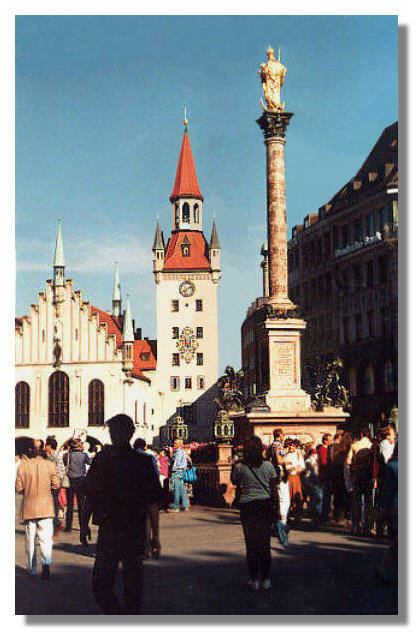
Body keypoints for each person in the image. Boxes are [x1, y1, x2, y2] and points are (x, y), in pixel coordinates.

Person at [80, 414, 163, 614]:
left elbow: (90, 497)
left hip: (110, 529)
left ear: (113, 433)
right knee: (133, 585)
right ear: (132, 433)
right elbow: (152, 503)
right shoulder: (143, 462)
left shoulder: (102, 460)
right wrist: (155, 536)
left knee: (101, 585)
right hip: (134, 530)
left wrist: (84, 524)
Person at [231, 436, 279, 591]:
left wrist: (234, 465)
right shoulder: (268, 466)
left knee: (251, 544)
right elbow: (273, 490)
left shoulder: (241, 467)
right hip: (265, 505)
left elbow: (234, 481)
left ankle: (254, 579)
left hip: (248, 505)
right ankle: (266, 579)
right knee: (265, 543)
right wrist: (277, 510)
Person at [15, 439, 61, 580]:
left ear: (30, 450)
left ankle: (32, 568)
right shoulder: (50, 466)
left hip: (29, 507)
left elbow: (18, 488)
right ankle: (46, 564)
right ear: (42, 450)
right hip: (46, 506)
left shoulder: (23, 467)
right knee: (46, 538)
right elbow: (56, 484)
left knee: (30, 539)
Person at [346, 428, 373, 536]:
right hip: (368, 475)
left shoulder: (355, 446)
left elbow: (348, 462)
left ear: (361, 435)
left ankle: (355, 526)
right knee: (368, 502)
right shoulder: (372, 446)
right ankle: (367, 527)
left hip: (358, 474)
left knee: (357, 501)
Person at [64, 438, 92, 532]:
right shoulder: (84, 455)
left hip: (70, 481)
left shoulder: (67, 455)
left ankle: (68, 526)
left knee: (70, 505)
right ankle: (82, 525)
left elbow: (65, 464)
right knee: (81, 505)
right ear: (79, 446)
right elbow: (90, 462)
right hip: (81, 480)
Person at [284, 438, 305, 524]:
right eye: (289, 445)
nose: (291, 447)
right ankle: (287, 516)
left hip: (296, 476)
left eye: (292, 445)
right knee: (287, 497)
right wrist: (292, 467)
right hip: (287, 477)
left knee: (297, 497)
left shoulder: (298, 454)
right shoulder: (285, 454)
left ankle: (297, 516)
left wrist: (297, 469)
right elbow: (285, 466)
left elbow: (302, 466)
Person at [45, 436, 63, 535]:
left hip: (54, 484)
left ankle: (55, 524)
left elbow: (61, 470)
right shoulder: (48, 456)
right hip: (48, 483)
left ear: (50, 446)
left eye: (46, 445)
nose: (45, 447)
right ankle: (56, 523)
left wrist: (57, 481)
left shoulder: (56, 456)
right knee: (51, 504)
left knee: (54, 504)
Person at [302, 444, 323, 526]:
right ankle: (315, 518)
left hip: (312, 481)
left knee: (314, 500)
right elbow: (310, 471)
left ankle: (315, 518)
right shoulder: (310, 460)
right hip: (313, 481)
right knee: (316, 499)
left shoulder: (310, 460)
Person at [167, 439, 189, 512]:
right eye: (174, 443)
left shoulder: (178, 452)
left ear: (180, 444)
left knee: (175, 489)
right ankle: (185, 505)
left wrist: (173, 471)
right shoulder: (181, 451)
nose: (174, 445)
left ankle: (176, 507)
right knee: (182, 489)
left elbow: (176, 463)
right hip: (181, 471)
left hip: (177, 471)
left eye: (176, 443)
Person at [317, 433, 333, 522]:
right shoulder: (323, 449)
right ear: (325, 441)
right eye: (330, 440)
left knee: (326, 496)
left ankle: (324, 515)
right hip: (325, 475)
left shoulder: (326, 449)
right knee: (325, 496)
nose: (331, 442)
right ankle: (323, 516)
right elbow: (324, 463)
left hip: (326, 475)